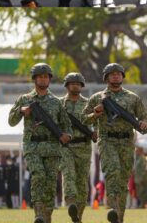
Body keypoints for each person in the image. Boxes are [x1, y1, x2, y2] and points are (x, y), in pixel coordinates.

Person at [82, 63, 147, 223]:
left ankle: (119, 217)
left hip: (127, 141)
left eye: (119, 73)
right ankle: (113, 208)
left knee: (123, 180)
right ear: (106, 77)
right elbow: (82, 118)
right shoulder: (97, 98)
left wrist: (145, 124)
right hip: (107, 140)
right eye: (112, 74)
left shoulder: (133, 98)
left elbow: (145, 116)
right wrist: (96, 113)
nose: (116, 76)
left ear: (122, 76)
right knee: (113, 172)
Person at [8, 63, 73, 223]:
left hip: (52, 148)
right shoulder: (24, 99)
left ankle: (46, 218)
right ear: (34, 79)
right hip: (33, 147)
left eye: (46, 76)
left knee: (50, 183)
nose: (43, 79)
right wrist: (21, 111)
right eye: (40, 76)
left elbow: (67, 125)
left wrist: (67, 136)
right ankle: (38, 215)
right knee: (38, 176)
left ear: (49, 79)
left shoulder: (56, 102)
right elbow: (11, 121)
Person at [60, 73, 95, 223]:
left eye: (78, 83)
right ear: (67, 85)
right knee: (68, 175)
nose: (75, 85)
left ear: (82, 86)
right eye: (72, 83)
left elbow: (97, 121)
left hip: (84, 146)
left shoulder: (89, 104)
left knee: (82, 183)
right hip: (65, 146)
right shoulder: (59, 104)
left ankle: (77, 216)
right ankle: (71, 203)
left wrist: (96, 132)